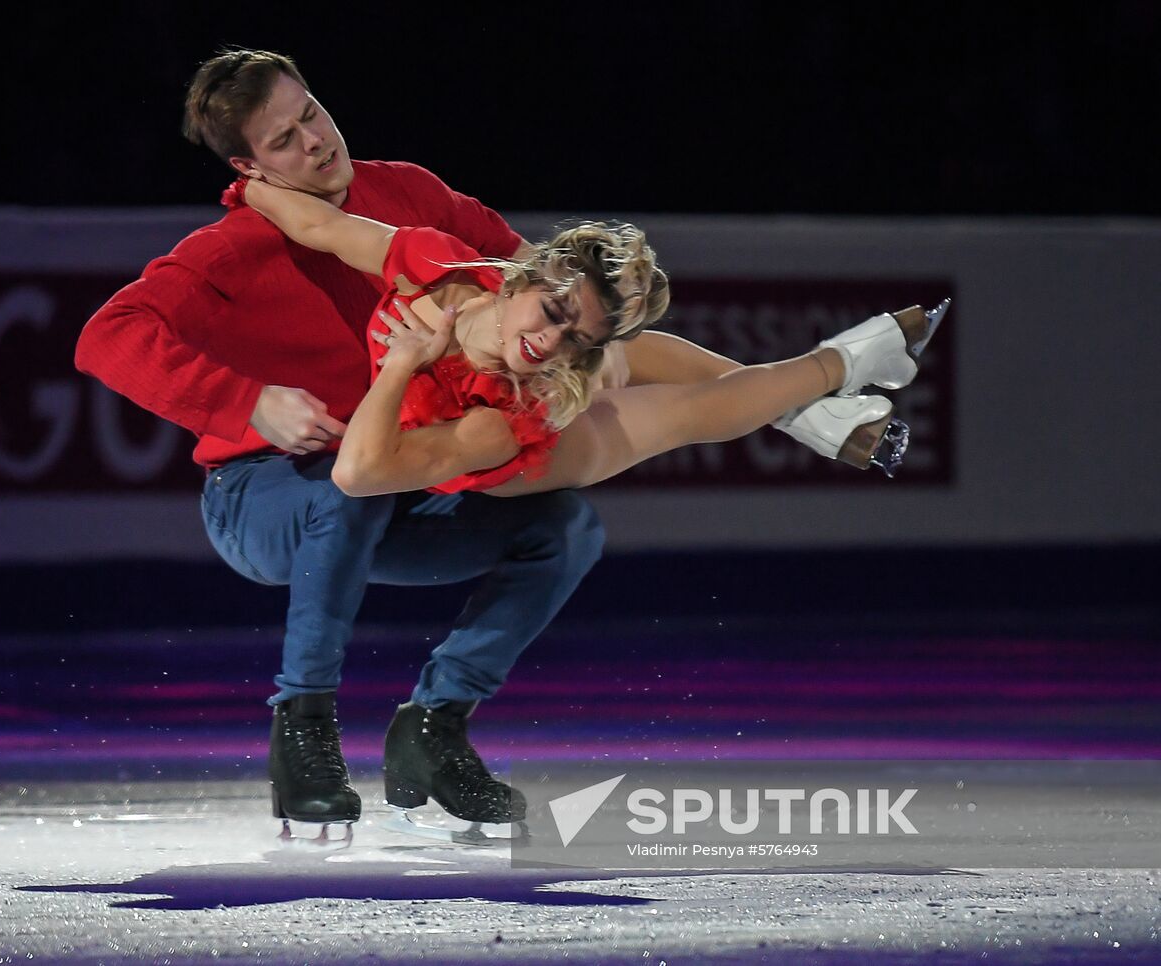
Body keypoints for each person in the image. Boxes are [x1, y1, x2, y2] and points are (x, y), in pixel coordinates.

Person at [76, 48, 607, 841]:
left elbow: (531, 278)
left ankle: (433, 727)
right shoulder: (233, 247)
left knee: (564, 526)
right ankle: (302, 732)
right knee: (345, 487)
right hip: (259, 497)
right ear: (249, 166)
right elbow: (106, 336)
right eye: (284, 140)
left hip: (388, 488)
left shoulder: (410, 193)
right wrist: (246, 402)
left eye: (312, 114)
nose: (317, 142)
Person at [239, 178, 939, 504]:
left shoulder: (504, 419)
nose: (550, 341)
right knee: (660, 379)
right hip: (485, 445)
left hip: (521, 453)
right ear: (519, 277)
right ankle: (815, 416)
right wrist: (248, 188)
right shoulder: (439, 264)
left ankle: (854, 356)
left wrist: (400, 368)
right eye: (551, 312)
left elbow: (357, 476)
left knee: (684, 411)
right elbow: (322, 227)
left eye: (576, 338)